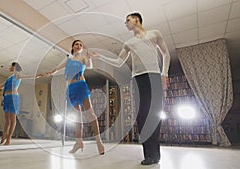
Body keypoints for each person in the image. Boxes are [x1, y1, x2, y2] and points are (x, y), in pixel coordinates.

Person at [99, 12, 170, 165]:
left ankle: (155, 154)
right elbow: (118, 62)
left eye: (128, 20)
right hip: (137, 79)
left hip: (154, 76)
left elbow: (165, 53)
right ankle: (149, 155)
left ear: (136, 19)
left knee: (155, 114)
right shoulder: (129, 43)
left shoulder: (154, 34)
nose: (126, 23)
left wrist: (164, 73)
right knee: (142, 115)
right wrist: (100, 57)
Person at [43, 40, 105, 155]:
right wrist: (49, 73)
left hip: (81, 86)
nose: (79, 46)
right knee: (77, 117)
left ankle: (98, 141)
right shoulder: (68, 59)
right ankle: (78, 142)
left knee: (90, 114)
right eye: (77, 44)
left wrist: (90, 57)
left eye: (81, 45)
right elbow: (57, 69)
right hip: (71, 89)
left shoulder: (83, 58)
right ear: (72, 47)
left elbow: (90, 66)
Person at [0, 62, 42, 145]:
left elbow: (28, 76)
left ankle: (9, 138)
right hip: (6, 98)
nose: (9, 67)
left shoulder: (18, 76)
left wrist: (37, 76)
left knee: (12, 119)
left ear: (14, 67)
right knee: (7, 119)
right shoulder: (9, 78)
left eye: (11, 66)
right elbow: (0, 86)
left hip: (14, 98)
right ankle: (4, 134)